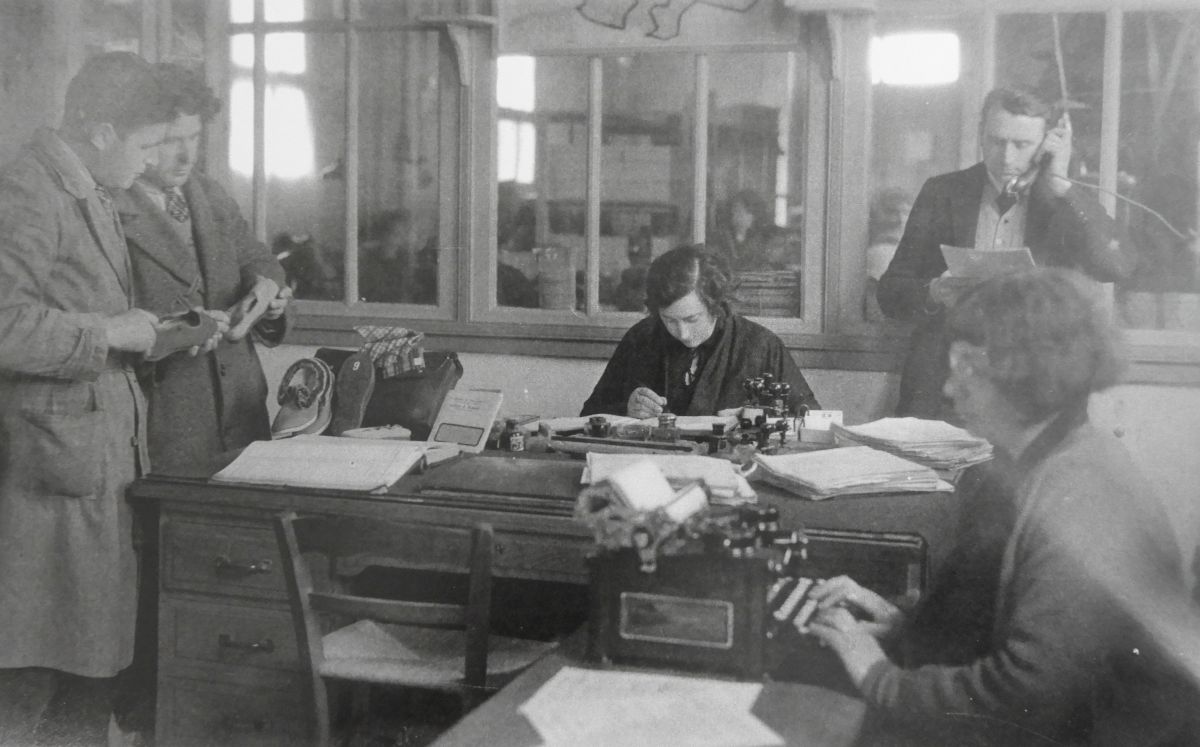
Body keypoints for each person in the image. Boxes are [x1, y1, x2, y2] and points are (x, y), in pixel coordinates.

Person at [809, 268, 1197, 745]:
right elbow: (1032, 636)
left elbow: (1027, 695)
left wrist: (878, 678)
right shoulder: (1053, 459)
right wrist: (904, 624)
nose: (949, 390)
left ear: (1024, 375)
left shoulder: (1082, 492)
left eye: (965, 367)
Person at [0, 51, 176, 744]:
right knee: (41, 679)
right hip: (49, 483)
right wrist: (110, 331)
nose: (155, 162)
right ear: (101, 130)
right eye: (147, 144)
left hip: (87, 473)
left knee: (85, 676)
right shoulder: (29, 190)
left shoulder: (85, 187)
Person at [877, 87, 1137, 420]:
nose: (1007, 158)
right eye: (996, 141)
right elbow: (891, 292)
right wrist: (934, 291)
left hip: (1035, 383)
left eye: (1022, 145)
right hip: (947, 382)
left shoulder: (1065, 202)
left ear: (1047, 142)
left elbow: (1117, 266)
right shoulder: (942, 193)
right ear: (980, 134)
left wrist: (1061, 185)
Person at [117, 62, 291, 475]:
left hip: (242, 412)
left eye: (194, 137)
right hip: (168, 420)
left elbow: (258, 260)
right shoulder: (111, 205)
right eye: (171, 140)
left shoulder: (208, 193)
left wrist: (266, 292)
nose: (186, 154)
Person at [581, 244, 819, 417]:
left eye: (692, 319)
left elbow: (811, 418)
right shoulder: (640, 338)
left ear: (716, 304)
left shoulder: (761, 345)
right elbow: (588, 414)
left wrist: (759, 418)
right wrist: (626, 408)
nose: (682, 333)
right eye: (669, 320)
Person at [711, 188, 778, 272]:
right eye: (734, 210)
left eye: (740, 211)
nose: (734, 214)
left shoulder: (762, 242)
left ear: (753, 215)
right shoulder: (722, 237)